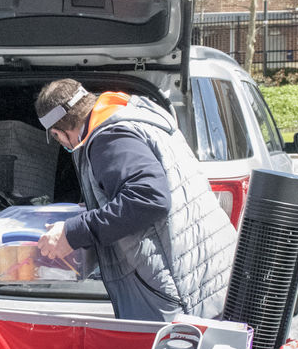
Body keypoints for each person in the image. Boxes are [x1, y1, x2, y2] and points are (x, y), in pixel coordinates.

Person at [34, 79, 237, 322]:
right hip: (208, 272)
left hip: (183, 290)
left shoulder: (110, 136)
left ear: (57, 132)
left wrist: (74, 232)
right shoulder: (136, 116)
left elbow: (148, 198)